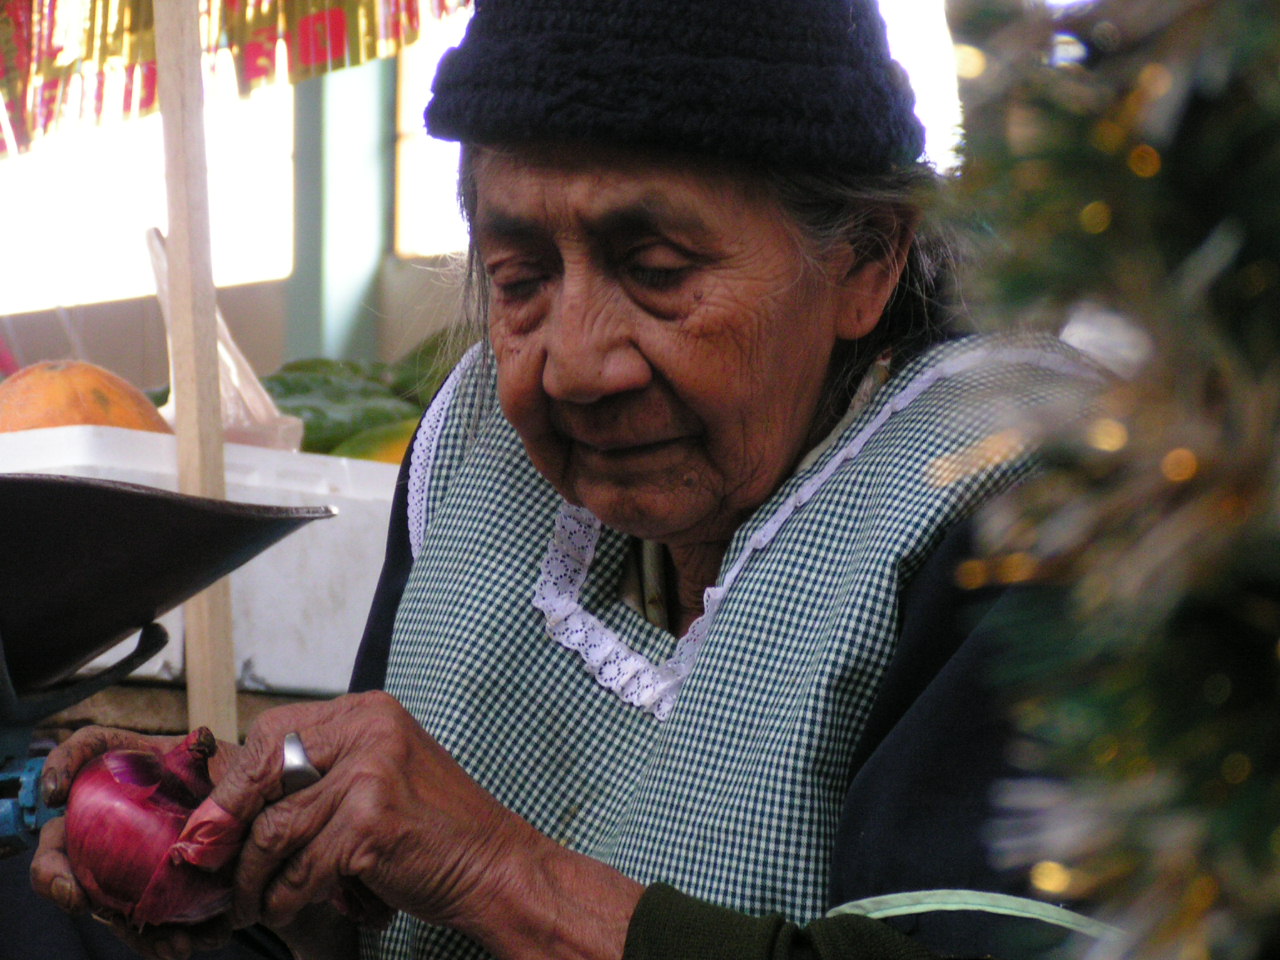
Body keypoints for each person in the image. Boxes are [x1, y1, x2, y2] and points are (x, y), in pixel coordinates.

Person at [31, 0, 1102, 958]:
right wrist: (260, 864)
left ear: (863, 261)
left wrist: (496, 873)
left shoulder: (1016, 501)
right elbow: (370, 900)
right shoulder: (474, 457)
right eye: (520, 280)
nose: (575, 364)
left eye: (656, 271)